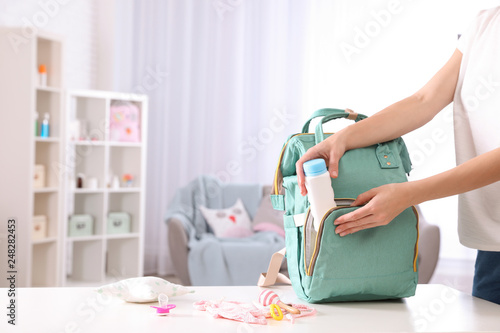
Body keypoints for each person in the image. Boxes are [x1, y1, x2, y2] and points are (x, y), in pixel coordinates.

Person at [296, 7, 500, 305]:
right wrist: (341, 139)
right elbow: (424, 100)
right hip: (493, 246)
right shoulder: (487, 23)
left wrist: (408, 195)